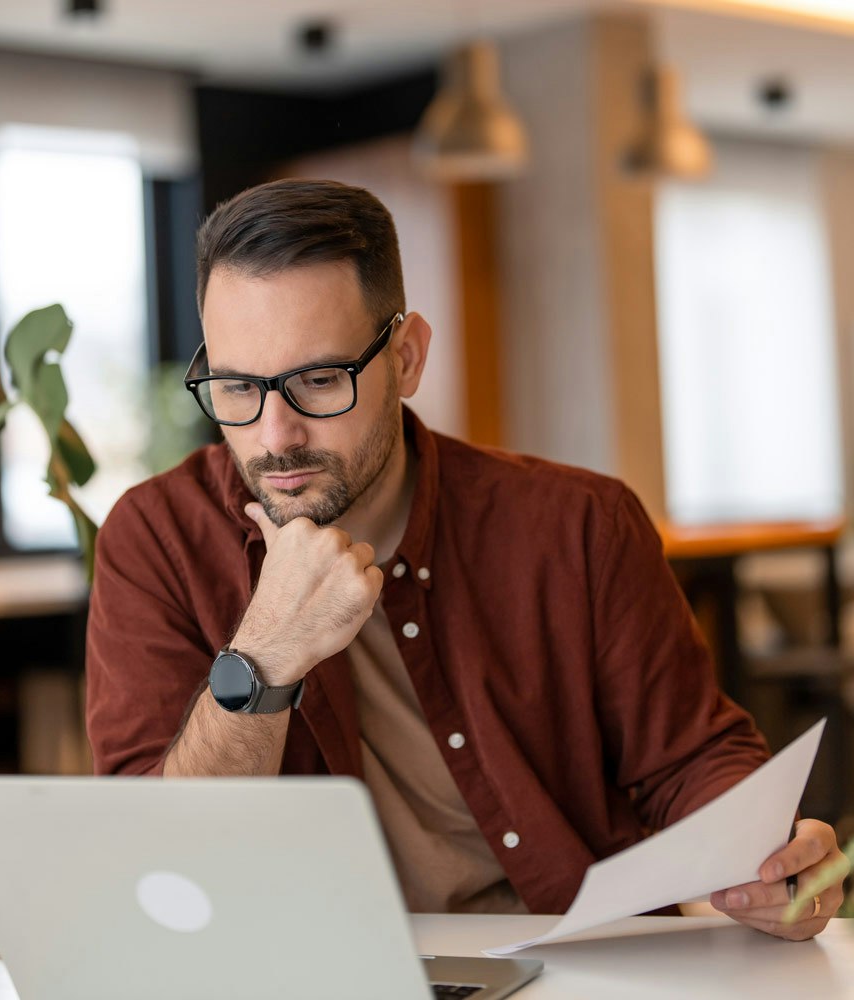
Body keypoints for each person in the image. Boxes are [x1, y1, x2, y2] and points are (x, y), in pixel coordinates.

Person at [85, 178, 848, 939]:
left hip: (579, 963)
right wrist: (265, 655)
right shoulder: (157, 540)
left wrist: (764, 863)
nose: (275, 436)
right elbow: (161, 869)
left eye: (319, 380)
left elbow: (688, 759)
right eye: (236, 387)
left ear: (407, 357)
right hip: (319, 969)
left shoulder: (580, 525)